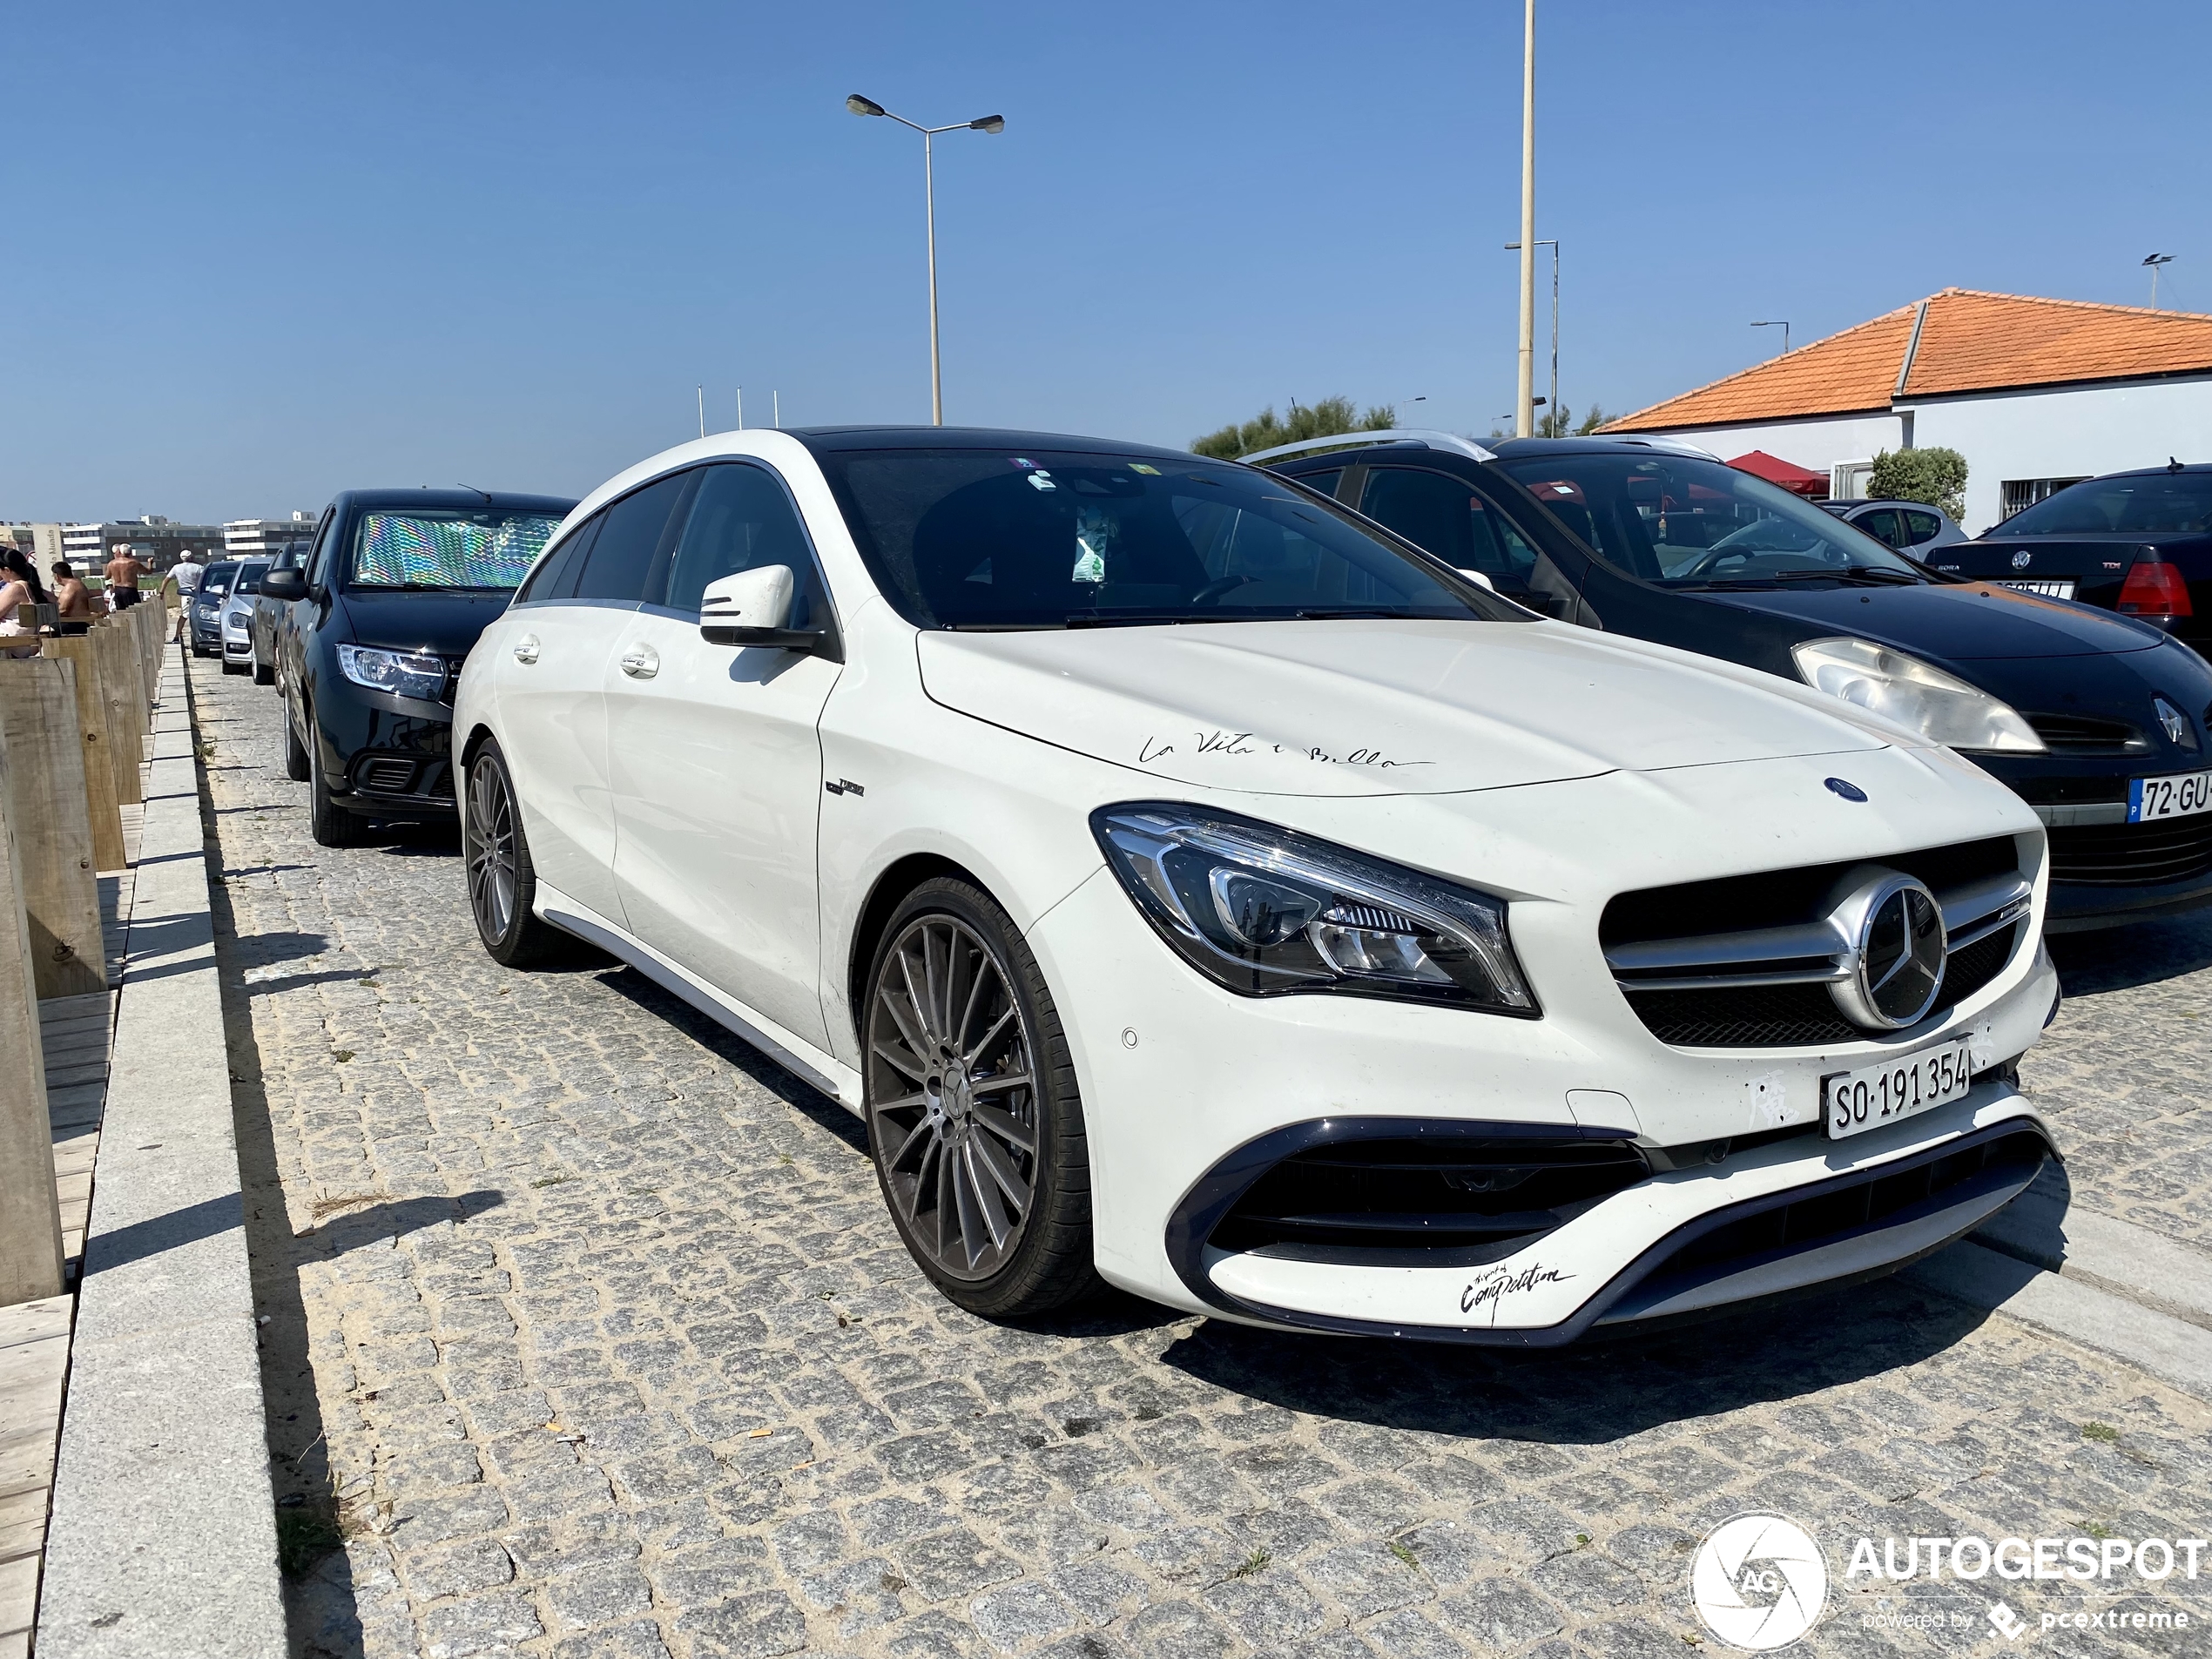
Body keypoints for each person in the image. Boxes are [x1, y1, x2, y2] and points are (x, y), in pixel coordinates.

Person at [0, 548, 51, 656]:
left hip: (12, 642)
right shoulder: (31, 586)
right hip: (23, 642)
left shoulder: (16, 588)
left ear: (7, 570)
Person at [50, 560, 95, 635]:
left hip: (75, 623)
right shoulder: (77, 583)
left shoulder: (70, 586)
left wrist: (47, 617)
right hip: (80, 622)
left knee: (44, 629)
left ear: (57, 576)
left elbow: (63, 609)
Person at [170, 549, 206, 639]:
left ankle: (177, 635)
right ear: (191, 557)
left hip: (185, 594)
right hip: (198, 594)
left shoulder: (176, 567)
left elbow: (167, 579)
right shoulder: (198, 567)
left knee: (184, 615)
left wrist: (162, 591)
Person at [103, 543, 148, 610]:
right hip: (130, 590)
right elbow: (147, 571)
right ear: (130, 552)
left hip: (118, 590)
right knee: (135, 611)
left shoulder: (112, 563)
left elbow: (107, 577)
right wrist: (150, 563)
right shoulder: (133, 563)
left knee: (121, 612)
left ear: (120, 552)